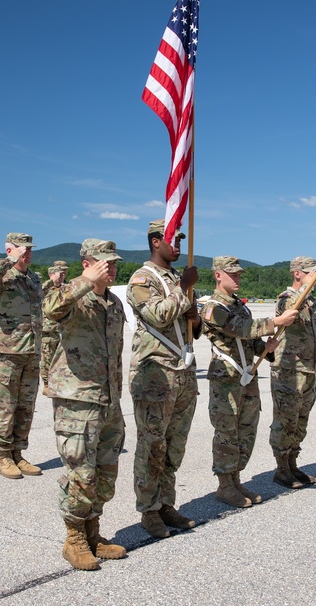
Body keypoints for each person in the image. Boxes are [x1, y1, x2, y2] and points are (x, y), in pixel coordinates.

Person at [42, 239, 127, 570]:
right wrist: (84, 282)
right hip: (78, 400)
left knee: (106, 474)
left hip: (108, 400)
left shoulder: (114, 303)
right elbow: (51, 309)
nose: (111, 268)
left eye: (113, 263)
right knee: (81, 474)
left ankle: (93, 533)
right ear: (87, 264)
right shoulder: (74, 296)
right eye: (103, 263)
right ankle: (74, 539)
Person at [201, 256, 298, 507]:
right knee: (226, 433)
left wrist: (265, 346)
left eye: (239, 274)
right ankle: (224, 484)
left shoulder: (240, 306)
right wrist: (275, 322)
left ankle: (235, 479)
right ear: (218, 275)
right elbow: (239, 329)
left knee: (246, 430)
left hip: (247, 375)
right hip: (227, 379)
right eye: (232, 274)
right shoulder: (213, 307)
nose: (238, 278)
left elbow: (248, 339)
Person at [126, 219, 201, 538]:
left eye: (182, 238)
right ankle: (149, 510)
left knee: (174, 446)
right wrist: (184, 289)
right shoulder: (143, 279)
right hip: (155, 375)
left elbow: (193, 330)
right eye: (173, 238)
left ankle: (167, 503)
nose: (179, 244)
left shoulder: (176, 279)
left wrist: (195, 314)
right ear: (156, 242)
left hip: (182, 374)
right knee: (152, 445)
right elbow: (156, 315)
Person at [0, 233, 43, 479]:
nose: (27, 253)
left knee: (26, 406)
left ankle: (18, 453)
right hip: (8, 351)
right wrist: (7, 261)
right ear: (10, 250)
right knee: (7, 406)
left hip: (32, 351)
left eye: (29, 249)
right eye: (22, 249)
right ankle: (4, 456)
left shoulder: (34, 278)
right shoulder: (1, 276)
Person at [269, 256, 316, 488]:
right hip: (288, 371)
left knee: (301, 419)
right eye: (312, 272)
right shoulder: (287, 299)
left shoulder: (311, 301)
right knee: (285, 419)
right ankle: (281, 469)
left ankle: (292, 463)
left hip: (307, 370)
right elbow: (288, 314)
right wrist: (303, 293)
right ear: (297, 273)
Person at [40, 260, 68, 395]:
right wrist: (53, 281)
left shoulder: (66, 287)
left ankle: (60, 382)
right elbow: (39, 291)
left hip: (63, 328)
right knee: (47, 358)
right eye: (60, 273)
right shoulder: (46, 288)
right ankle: (46, 383)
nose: (63, 275)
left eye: (64, 272)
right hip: (48, 329)